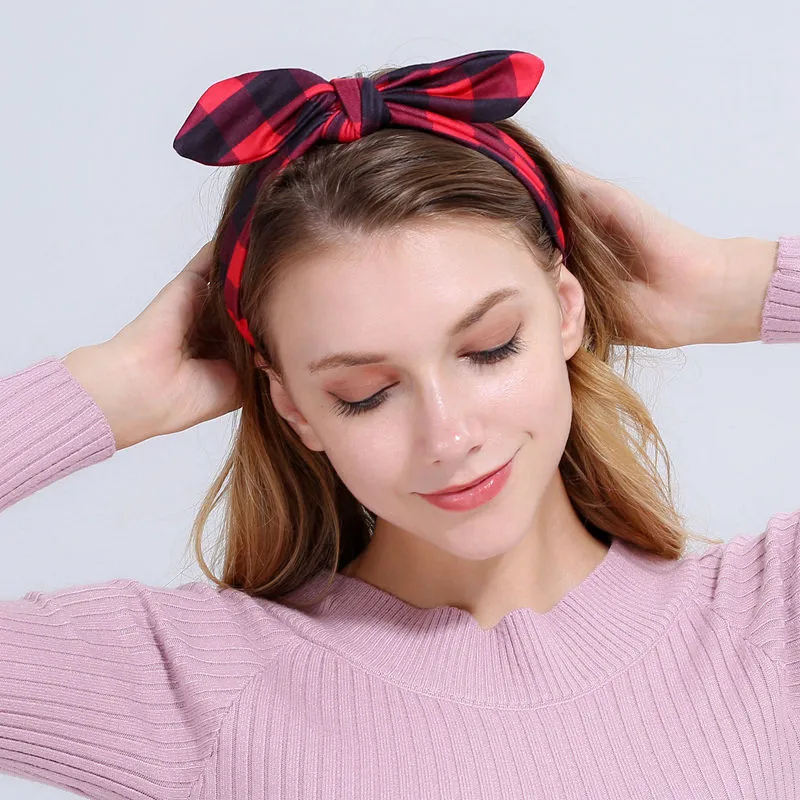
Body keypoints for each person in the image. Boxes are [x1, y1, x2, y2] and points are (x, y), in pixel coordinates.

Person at [0, 49, 798, 798]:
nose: (448, 438)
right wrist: (111, 391)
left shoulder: (769, 623)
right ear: (293, 407)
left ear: (564, 311)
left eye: (489, 348)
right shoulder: (200, 688)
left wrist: (738, 285)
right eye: (366, 392)